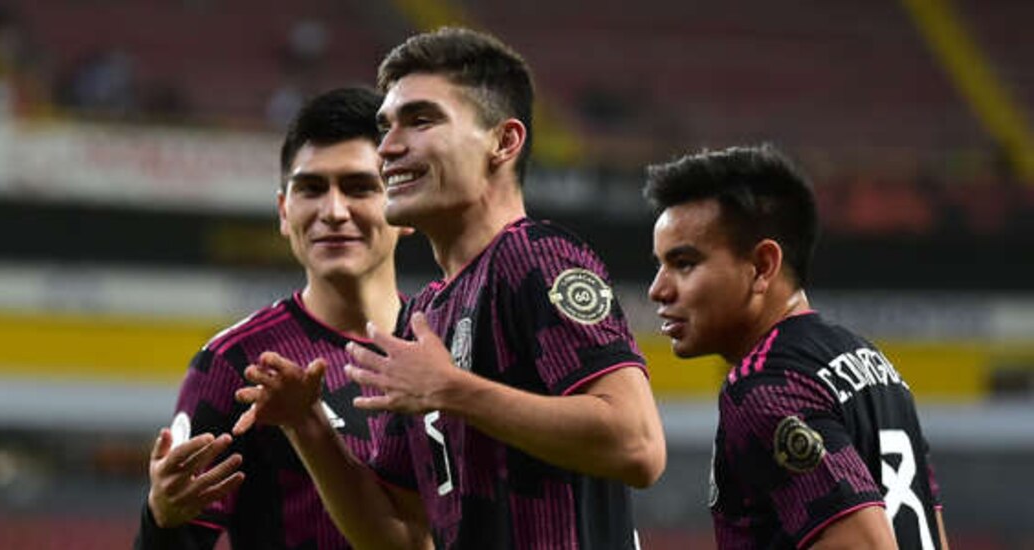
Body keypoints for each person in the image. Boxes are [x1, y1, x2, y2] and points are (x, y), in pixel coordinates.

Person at [235, 26, 666, 549]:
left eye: (421, 121)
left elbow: (638, 445)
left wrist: (452, 390)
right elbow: (398, 535)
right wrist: (308, 426)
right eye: (386, 127)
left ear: (503, 142)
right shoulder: (426, 315)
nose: (388, 147)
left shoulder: (536, 256)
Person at [134, 86, 410, 549]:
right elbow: (178, 532)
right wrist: (160, 519)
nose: (333, 211)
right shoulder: (235, 364)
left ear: (404, 205)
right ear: (284, 211)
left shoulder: (448, 342)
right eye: (311, 189)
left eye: (360, 187)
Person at [644, 144, 950, 549]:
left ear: (762, 266)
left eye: (684, 263)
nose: (658, 289)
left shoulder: (766, 387)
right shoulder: (871, 362)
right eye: (660, 265)